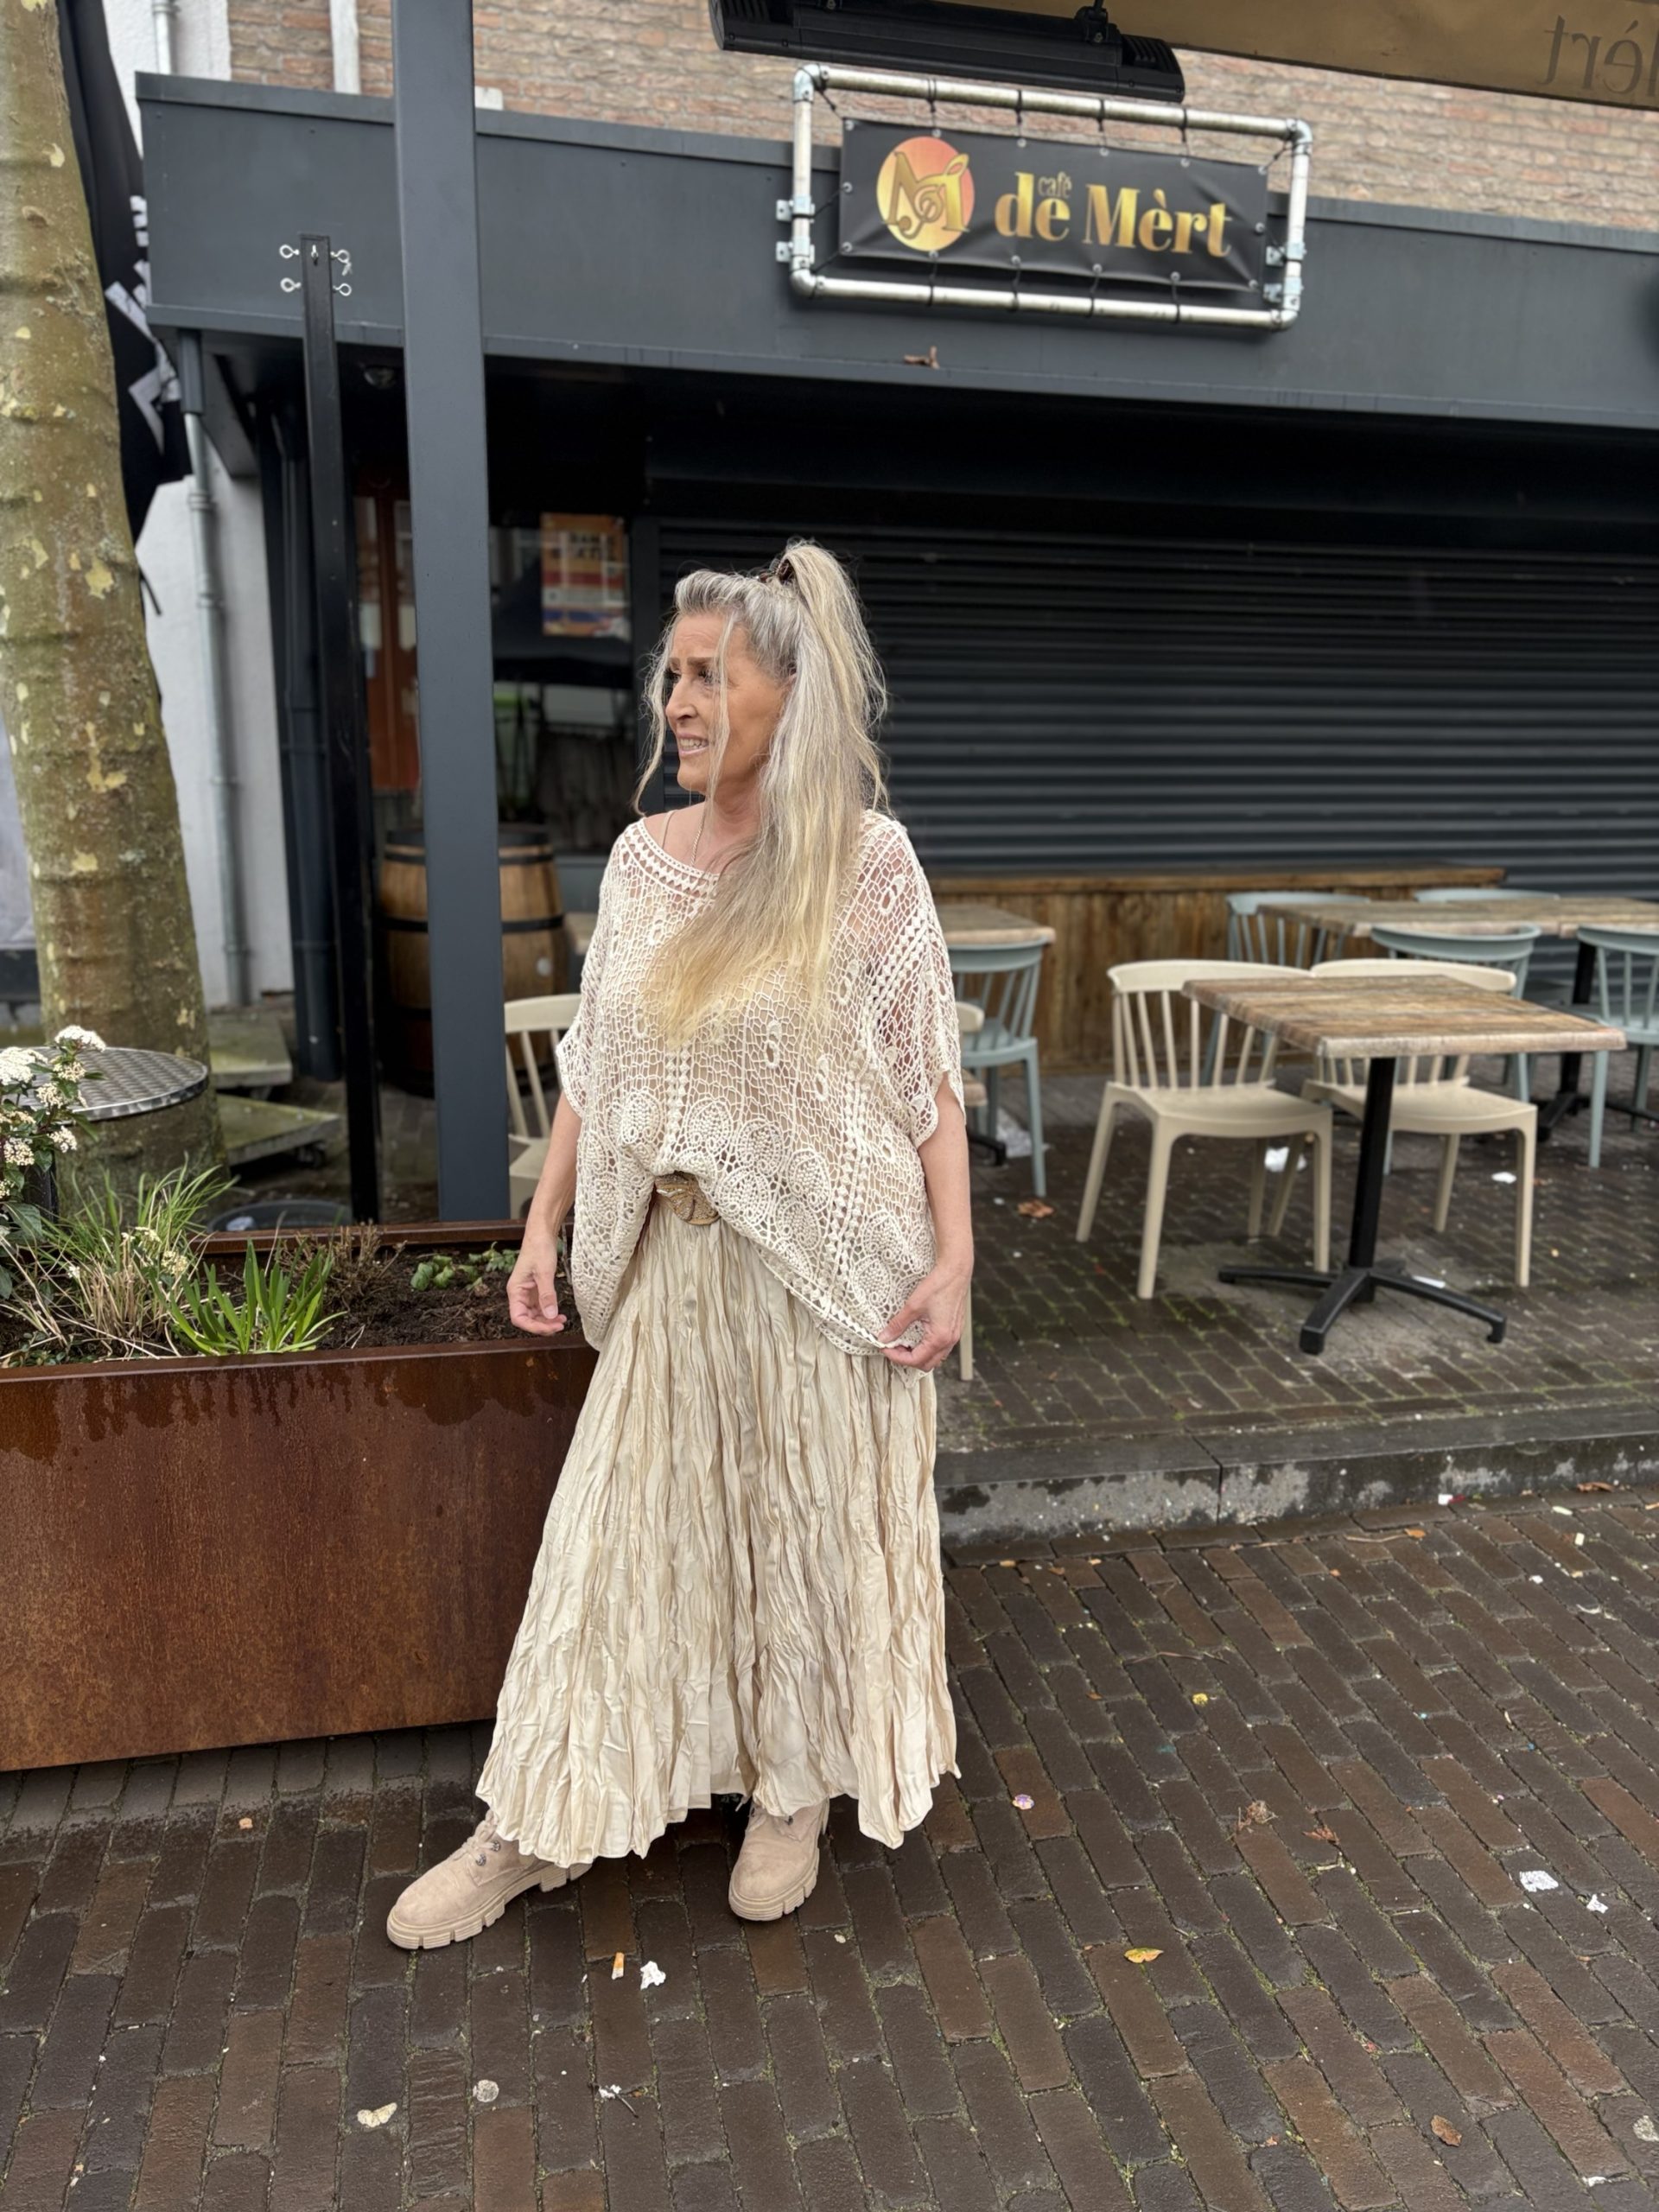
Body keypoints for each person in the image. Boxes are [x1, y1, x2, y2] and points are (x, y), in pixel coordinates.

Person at [386, 540, 970, 1948]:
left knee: (799, 1540)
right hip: (672, 1268)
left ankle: (792, 1791)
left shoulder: (865, 865)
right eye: (673, 675)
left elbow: (926, 1081)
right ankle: (534, 1822)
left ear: (792, 695)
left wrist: (955, 1260)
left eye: (711, 675)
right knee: (610, 1546)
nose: (680, 701)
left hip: (827, 1278)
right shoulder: (643, 865)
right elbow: (598, 1067)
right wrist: (541, 1224)